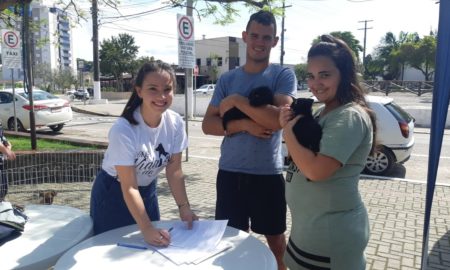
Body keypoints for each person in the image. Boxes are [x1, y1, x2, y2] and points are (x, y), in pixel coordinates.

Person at [202, 10, 297, 270]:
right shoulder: (228, 78)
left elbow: (279, 119)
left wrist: (235, 101)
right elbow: (208, 124)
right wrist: (244, 124)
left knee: (276, 241)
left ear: (275, 41)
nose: (259, 42)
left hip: (267, 174)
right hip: (230, 173)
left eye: (266, 37)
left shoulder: (283, 75)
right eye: (254, 35)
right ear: (245, 36)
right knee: (230, 243)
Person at [279, 35, 377, 270]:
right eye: (311, 76)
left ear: (344, 74)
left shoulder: (349, 116)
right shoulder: (321, 112)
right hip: (308, 233)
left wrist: (288, 134)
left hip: (331, 240)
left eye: (325, 75)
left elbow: (315, 170)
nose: (316, 83)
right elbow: (299, 158)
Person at [90, 61, 198, 246]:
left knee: (152, 250)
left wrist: (184, 208)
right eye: (153, 89)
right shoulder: (124, 130)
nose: (161, 96)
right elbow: (129, 187)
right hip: (114, 194)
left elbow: (174, 171)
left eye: (167, 89)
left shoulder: (175, 123)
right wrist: (146, 228)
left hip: (147, 191)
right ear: (139, 91)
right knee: (112, 251)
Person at [0, 122, 16, 201]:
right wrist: (7, 151)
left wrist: (8, 145)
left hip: (1, 162)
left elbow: (2, 137)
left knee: (4, 188)